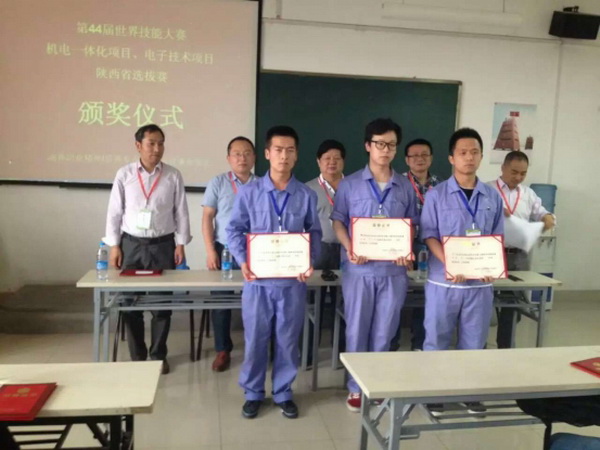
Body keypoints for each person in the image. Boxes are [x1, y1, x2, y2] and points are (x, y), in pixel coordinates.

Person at [227, 126, 322, 420]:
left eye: (290, 150)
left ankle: (283, 392)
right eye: (278, 150)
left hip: (292, 283)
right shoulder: (249, 193)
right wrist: (243, 261)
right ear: (267, 154)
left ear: (296, 155)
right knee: (256, 339)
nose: (284, 156)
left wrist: (309, 261)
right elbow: (234, 230)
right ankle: (253, 393)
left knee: (287, 340)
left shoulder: (305, 195)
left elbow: (314, 233)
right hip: (258, 283)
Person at [331, 118, 418, 412]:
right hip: (359, 271)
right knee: (357, 330)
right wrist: (349, 246)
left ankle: (376, 384)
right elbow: (338, 221)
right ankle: (356, 388)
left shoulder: (405, 186)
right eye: (380, 144)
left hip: (393, 272)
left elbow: (411, 225)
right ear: (368, 146)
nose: (386, 150)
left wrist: (406, 250)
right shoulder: (350, 184)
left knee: (385, 331)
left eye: (391, 145)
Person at [420, 127, 503, 415]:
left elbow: (497, 237)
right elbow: (429, 234)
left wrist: (493, 266)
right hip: (444, 283)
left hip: (479, 286)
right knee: (437, 339)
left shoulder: (492, 196)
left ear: (481, 156)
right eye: (463, 152)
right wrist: (449, 262)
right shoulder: (436, 195)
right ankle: (435, 393)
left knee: (475, 341)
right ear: (451, 158)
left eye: (474, 152)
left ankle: (471, 392)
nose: (469, 157)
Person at [105, 124, 192, 375]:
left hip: (163, 245)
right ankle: (138, 356)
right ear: (138, 146)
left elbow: (181, 211)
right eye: (151, 143)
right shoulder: (124, 174)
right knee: (129, 304)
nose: (157, 148)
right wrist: (114, 246)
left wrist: (180, 244)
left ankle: (158, 355)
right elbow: (114, 212)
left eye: (161, 143)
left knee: (162, 305)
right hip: (131, 245)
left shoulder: (173, 175)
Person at [488, 150, 556, 349]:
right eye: (514, 172)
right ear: (503, 168)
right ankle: (479, 346)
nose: (518, 177)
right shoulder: (487, 189)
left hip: (518, 257)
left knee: (513, 305)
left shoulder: (528, 194)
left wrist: (547, 219)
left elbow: (543, 213)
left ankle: (506, 347)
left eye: (523, 173)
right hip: (491, 254)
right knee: (484, 303)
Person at [201, 136, 257, 372]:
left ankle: (255, 349)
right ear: (228, 158)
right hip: (224, 250)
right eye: (237, 154)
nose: (242, 158)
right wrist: (210, 250)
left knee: (255, 301)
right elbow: (207, 217)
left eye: (247, 153)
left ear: (254, 157)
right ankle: (223, 350)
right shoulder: (218, 182)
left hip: (254, 251)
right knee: (220, 302)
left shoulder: (262, 184)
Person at [390, 138, 442, 352]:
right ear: (406, 159)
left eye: (424, 155)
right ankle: (391, 343)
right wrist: (403, 248)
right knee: (395, 295)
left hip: (433, 246)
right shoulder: (397, 184)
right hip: (403, 246)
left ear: (431, 158)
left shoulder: (442, 186)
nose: (419, 159)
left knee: (427, 295)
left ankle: (419, 343)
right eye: (414, 156)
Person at [304, 139, 346, 367]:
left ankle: (342, 354)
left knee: (345, 301)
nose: (332, 162)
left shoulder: (353, 186)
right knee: (313, 302)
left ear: (343, 161)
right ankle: (309, 353)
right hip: (318, 248)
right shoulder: (307, 189)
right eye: (327, 158)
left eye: (336, 158)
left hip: (346, 250)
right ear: (318, 162)